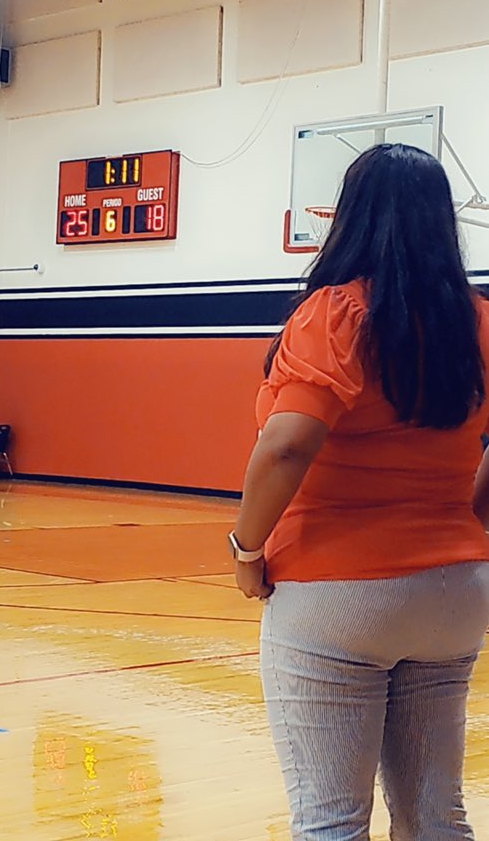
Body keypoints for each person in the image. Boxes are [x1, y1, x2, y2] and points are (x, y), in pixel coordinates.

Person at [230, 143, 489, 841]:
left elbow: (287, 442)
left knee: (331, 822)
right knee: (436, 815)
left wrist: (245, 548)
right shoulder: (480, 322)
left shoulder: (336, 313)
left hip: (336, 586)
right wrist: (469, 522)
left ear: (351, 217)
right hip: (457, 589)